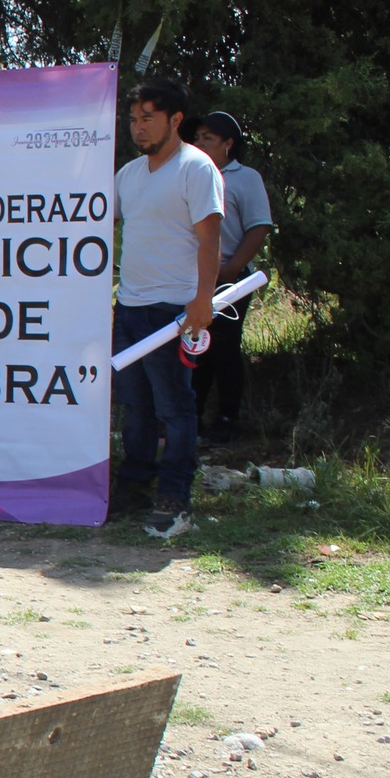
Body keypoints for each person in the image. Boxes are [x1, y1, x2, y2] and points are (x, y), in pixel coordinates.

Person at [112, 79, 223, 541]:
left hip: (174, 312)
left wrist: (201, 301)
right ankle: (134, 486)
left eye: (148, 118)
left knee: (175, 408)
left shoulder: (197, 169)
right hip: (131, 307)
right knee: (135, 407)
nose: (138, 128)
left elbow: (210, 238)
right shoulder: (129, 175)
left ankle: (176, 499)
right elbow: (98, 224)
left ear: (176, 120)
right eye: (134, 119)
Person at [190, 110, 273, 444]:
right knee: (193, 347)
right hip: (192, 279)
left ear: (228, 144)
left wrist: (232, 269)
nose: (199, 143)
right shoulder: (189, 174)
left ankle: (227, 420)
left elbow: (259, 226)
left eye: (207, 138)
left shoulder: (245, 177)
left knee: (223, 347)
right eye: (196, 138)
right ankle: (190, 419)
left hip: (230, 279)